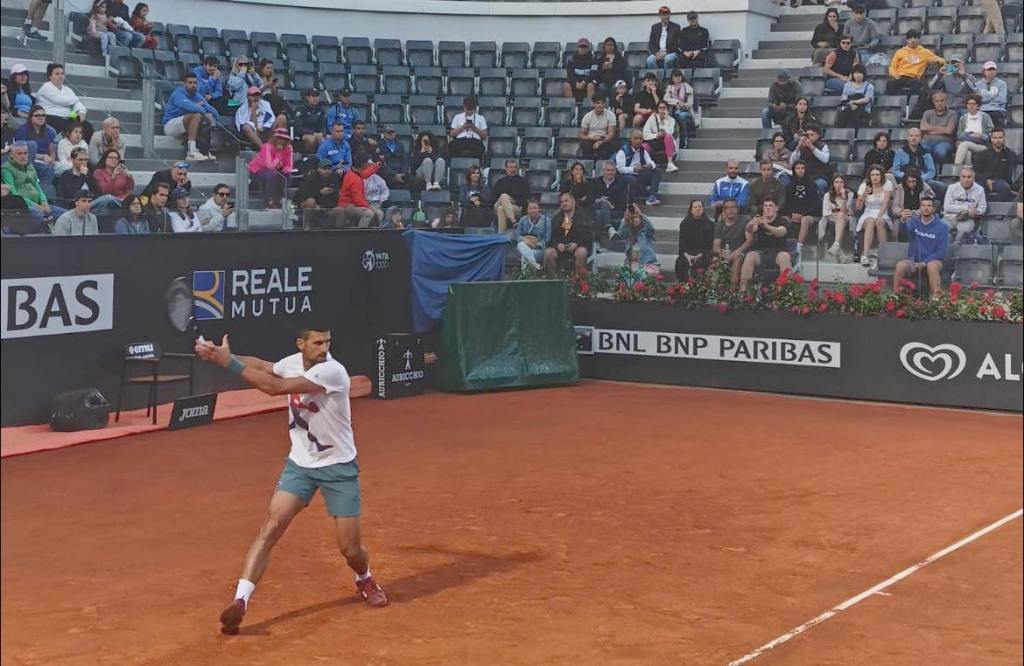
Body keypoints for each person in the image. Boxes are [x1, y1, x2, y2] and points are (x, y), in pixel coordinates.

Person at [195, 325, 388, 637]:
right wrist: (225, 355)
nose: (324, 348)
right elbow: (264, 366)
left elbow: (273, 386)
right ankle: (240, 602)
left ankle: (364, 577)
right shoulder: (293, 362)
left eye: (327, 341)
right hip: (300, 465)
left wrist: (227, 364)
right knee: (271, 527)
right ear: (302, 344)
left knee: (350, 549)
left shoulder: (333, 371)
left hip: (338, 468)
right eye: (317, 342)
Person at [893, 196, 948, 296]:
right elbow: (904, 235)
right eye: (923, 205)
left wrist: (924, 263)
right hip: (914, 260)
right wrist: (903, 222)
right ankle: (897, 297)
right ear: (920, 208)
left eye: (929, 206)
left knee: (932, 266)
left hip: (933, 260)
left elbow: (941, 252)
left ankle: (936, 299)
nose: (926, 208)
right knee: (901, 266)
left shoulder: (942, 227)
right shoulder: (914, 222)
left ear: (934, 209)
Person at [1, 141, 64, 227]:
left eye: (25, 153)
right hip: (25, 208)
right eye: (19, 154)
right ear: (11, 155)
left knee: (65, 215)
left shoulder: (30, 167)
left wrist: (44, 202)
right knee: (39, 215)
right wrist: (35, 206)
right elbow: (14, 194)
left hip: (40, 204)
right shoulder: (6, 169)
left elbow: (38, 186)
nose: (23, 156)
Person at [163, 72, 216, 162]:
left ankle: (204, 150)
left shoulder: (197, 96)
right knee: (197, 115)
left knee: (205, 118)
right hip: (170, 125)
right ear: (185, 84)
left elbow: (213, 111)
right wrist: (202, 109)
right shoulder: (178, 93)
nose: (193, 85)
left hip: (185, 127)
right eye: (190, 83)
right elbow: (190, 106)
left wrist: (211, 117)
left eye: (195, 83)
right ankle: (191, 151)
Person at [35, 63, 94, 143]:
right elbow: (59, 100)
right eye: (57, 74)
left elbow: (78, 104)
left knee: (87, 126)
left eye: (62, 74)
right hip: (51, 117)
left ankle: (82, 150)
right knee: (66, 126)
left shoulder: (68, 90)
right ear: (50, 76)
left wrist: (81, 112)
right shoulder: (46, 87)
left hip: (68, 118)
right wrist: (76, 98)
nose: (60, 76)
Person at [740, 200, 792, 288]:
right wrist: (750, 224)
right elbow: (750, 230)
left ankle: (787, 294)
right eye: (765, 206)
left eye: (770, 206)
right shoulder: (759, 220)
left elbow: (781, 232)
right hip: (761, 253)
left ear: (776, 208)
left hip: (778, 252)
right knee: (750, 256)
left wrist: (767, 226)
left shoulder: (782, 220)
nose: (767, 208)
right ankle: (743, 293)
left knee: (784, 256)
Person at [855, 165, 894, 267]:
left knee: (879, 222)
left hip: (882, 212)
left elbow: (885, 203)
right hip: (868, 212)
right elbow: (858, 207)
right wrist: (862, 196)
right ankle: (865, 255)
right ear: (869, 176)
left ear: (881, 176)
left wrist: (880, 216)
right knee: (871, 221)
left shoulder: (887, 184)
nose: (875, 177)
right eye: (872, 175)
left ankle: (884, 254)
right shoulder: (864, 186)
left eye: (877, 175)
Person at [887, 30, 944, 96]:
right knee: (890, 83)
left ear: (919, 40)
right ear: (907, 40)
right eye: (910, 38)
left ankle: (908, 102)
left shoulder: (925, 52)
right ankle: (896, 101)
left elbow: (942, 60)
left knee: (917, 84)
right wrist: (894, 75)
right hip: (901, 77)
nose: (912, 40)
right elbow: (892, 67)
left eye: (915, 38)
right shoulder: (900, 52)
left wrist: (936, 61)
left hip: (914, 78)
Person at [545, 192, 591, 274]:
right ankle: (552, 281)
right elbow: (552, 236)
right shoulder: (556, 218)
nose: (564, 203)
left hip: (577, 246)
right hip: (560, 248)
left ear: (573, 202)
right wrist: (558, 244)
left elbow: (587, 236)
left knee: (581, 253)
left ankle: (579, 283)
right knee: (548, 253)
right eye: (562, 202)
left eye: (566, 201)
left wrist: (576, 244)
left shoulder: (583, 216)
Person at [248, 127, 293, 209]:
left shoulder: (288, 148)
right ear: (274, 138)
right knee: (271, 175)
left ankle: (282, 199)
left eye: (284, 139)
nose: (281, 140)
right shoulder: (267, 147)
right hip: (257, 169)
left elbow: (289, 165)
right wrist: (279, 155)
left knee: (287, 174)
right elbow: (269, 166)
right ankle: (269, 201)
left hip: (276, 170)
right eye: (279, 138)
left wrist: (286, 168)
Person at [14, 104, 57, 187]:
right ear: (31, 117)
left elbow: (52, 150)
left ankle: (43, 196)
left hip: (45, 160)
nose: (41, 118)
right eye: (37, 115)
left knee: (52, 169)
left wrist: (51, 159)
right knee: (32, 145)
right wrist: (42, 156)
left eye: (43, 115)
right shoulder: (22, 129)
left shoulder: (50, 131)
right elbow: (21, 151)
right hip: (28, 160)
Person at [783, 161, 820, 258]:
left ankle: (798, 248)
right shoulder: (789, 186)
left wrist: (803, 214)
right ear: (794, 170)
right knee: (784, 219)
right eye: (798, 168)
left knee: (805, 220)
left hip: (810, 215)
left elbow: (816, 205)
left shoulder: (812, 185)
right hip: (793, 215)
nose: (800, 170)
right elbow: (786, 205)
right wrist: (792, 214)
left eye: (802, 168)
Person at [614, 131, 661, 206]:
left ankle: (651, 197)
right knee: (632, 180)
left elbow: (652, 163)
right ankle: (633, 201)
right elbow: (620, 169)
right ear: (631, 139)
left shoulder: (643, 151)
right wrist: (633, 169)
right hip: (625, 175)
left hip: (639, 174)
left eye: (640, 139)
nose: (638, 141)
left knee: (656, 171)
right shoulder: (623, 151)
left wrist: (649, 165)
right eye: (636, 138)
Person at [942, 166, 987, 242]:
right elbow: (946, 207)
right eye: (964, 177)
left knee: (963, 233)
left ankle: (956, 249)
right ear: (960, 178)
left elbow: (982, 209)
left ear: (973, 178)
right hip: (949, 218)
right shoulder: (952, 188)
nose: (966, 180)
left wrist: (973, 212)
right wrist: (967, 209)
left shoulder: (980, 190)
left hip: (967, 219)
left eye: (969, 177)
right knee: (940, 229)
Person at [892, 127, 942, 196]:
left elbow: (932, 171)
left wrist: (920, 178)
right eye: (911, 136)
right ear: (907, 137)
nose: (913, 138)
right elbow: (895, 170)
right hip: (904, 180)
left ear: (921, 138)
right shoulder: (899, 153)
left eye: (916, 136)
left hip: (923, 179)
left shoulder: (926, 153)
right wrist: (907, 177)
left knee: (942, 187)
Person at [890, 166, 935, 242]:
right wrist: (901, 212)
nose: (910, 184)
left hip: (920, 216)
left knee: (910, 224)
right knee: (900, 226)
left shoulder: (926, 188)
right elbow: (895, 206)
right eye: (908, 181)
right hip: (902, 216)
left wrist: (913, 213)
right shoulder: (900, 188)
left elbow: (928, 206)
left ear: (918, 180)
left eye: (913, 181)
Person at [973, 127, 1017, 203]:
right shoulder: (981, 154)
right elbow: (975, 172)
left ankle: (998, 211)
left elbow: (1010, 173)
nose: (998, 140)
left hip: (1000, 181)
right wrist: (986, 180)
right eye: (995, 138)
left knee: (1005, 187)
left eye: (1000, 137)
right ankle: (982, 210)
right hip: (983, 180)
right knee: (977, 188)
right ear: (991, 139)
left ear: (1004, 138)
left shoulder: (1010, 154)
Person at [295, 160, 341, 229]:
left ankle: (339, 234)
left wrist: (325, 207)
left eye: (329, 169)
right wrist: (320, 193)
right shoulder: (311, 178)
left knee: (340, 210)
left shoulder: (335, 177)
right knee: (311, 201)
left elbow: (337, 194)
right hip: (315, 205)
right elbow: (301, 194)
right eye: (324, 169)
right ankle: (307, 227)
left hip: (328, 206)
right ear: (319, 169)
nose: (327, 171)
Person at [713, 198, 750, 284]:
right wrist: (723, 253)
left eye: (733, 207)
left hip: (741, 253)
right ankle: (713, 292)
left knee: (737, 260)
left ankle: (733, 293)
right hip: (725, 253)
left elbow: (748, 241)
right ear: (723, 210)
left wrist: (736, 252)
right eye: (727, 207)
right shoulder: (719, 225)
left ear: (738, 209)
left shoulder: (745, 220)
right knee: (715, 262)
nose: (731, 210)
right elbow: (716, 247)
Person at [675, 199, 714, 280]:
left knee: (703, 261)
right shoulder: (684, 224)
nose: (698, 209)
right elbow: (682, 242)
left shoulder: (710, 224)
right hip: (688, 253)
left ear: (703, 209)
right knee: (681, 262)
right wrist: (686, 255)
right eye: (695, 207)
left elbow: (710, 244)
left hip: (703, 252)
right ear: (691, 210)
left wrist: (700, 255)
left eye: (700, 207)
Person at [337, 151, 377, 228]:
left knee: (378, 212)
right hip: (347, 206)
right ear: (364, 164)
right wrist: (369, 207)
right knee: (368, 213)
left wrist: (376, 166)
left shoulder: (353, 172)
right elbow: (358, 200)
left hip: (353, 204)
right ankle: (360, 233)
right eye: (367, 162)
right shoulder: (354, 179)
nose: (369, 164)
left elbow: (364, 174)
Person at [787, 125, 830, 196]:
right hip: (804, 176)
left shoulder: (823, 146)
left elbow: (825, 159)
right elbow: (792, 162)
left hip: (819, 176)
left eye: (812, 135)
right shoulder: (802, 146)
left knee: (818, 185)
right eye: (807, 135)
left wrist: (812, 147)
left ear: (818, 136)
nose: (809, 137)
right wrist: (798, 148)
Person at [821, 174, 854, 262]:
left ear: (844, 184)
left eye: (841, 182)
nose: (839, 184)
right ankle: (840, 254)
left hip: (846, 218)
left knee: (841, 216)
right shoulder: (827, 195)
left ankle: (836, 245)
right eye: (836, 182)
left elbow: (845, 211)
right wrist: (837, 213)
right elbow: (826, 213)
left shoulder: (849, 194)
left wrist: (843, 197)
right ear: (833, 184)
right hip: (830, 218)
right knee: (840, 217)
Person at [619, 203, 660, 275]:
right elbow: (620, 234)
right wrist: (625, 220)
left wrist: (641, 214)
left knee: (645, 273)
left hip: (648, 263)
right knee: (624, 274)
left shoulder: (646, 231)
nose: (635, 220)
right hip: (633, 263)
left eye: (637, 217)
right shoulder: (628, 231)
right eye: (633, 218)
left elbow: (651, 229)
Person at [591, 160, 627, 240]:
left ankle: (599, 239)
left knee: (601, 212)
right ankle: (609, 228)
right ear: (603, 171)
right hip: (596, 207)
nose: (610, 172)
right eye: (608, 170)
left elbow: (623, 203)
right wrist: (599, 200)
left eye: (612, 170)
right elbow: (590, 198)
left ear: (615, 171)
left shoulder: (620, 184)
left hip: (613, 211)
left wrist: (611, 206)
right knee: (603, 203)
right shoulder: (595, 182)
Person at [953, 95, 993, 167]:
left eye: (973, 104)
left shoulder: (985, 117)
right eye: (969, 104)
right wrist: (969, 134)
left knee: (964, 144)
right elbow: (959, 134)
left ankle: (956, 169)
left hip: (982, 145)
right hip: (967, 142)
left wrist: (981, 136)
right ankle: (968, 172)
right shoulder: (963, 118)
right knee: (967, 153)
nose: (971, 106)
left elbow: (992, 133)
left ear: (978, 106)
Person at [491, 159, 529, 233]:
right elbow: (492, 199)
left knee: (501, 209)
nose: (513, 169)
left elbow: (526, 198)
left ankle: (501, 236)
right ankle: (513, 221)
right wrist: (503, 200)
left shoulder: (522, 182)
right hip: (498, 204)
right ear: (506, 168)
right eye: (511, 167)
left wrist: (514, 201)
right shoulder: (500, 182)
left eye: (515, 167)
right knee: (503, 196)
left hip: (516, 207)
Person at [512, 200, 552, 270]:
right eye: (530, 208)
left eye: (535, 208)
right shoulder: (523, 220)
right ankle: (534, 265)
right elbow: (517, 235)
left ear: (539, 209)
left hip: (538, 249)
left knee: (524, 256)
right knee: (521, 245)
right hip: (524, 245)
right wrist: (525, 241)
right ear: (527, 210)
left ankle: (526, 277)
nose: (532, 210)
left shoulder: (546, 220)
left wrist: (537, 245)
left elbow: (547, 238)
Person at [642, 102, 679, 172]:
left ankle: (670, 163)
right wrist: (656, 135)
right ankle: (646, 165)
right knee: (644, 146)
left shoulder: (671, 120)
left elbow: (670, 132)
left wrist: (665, 120)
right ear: (657, 110)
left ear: (667, 109)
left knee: (668, 137)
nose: (662, 110)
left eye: (664, 108)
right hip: (654, 142)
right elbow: (645, 134)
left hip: (666, 143)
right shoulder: (652, 119)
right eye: (660, 108)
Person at [448, 96, 487, 161]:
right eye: (467, 109)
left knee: (481, 147)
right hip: (461, 140)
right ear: (464, 107)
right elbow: (452, 134)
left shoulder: (481, 118)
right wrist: (462, 127)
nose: (469, 111)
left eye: (471, 109)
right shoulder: (457, 117)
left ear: (474, 108)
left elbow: (484, 135)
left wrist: (474, 128)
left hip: (475, 140)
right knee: (451, 145)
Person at [579, 96, 618, 161]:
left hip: (604, 139)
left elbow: (611, 134)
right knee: (585, 144)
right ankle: (588, 163)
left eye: (602, 103)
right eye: (598, 103)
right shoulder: (587, 116)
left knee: (609, 145)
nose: (600, 105)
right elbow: (581, 134)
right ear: (593, 104)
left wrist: (600, 142)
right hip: (591, 139)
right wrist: (591, 138)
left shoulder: (611, 115)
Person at [663, 70, 694, 149]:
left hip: (685, 111)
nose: (677, 78)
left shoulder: (687, 87)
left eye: (679, 76)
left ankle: (684, 140)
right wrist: (676, 102)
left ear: (681, 77)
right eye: (675, 77)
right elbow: (665, 98)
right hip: (673, 110)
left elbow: (690, 104)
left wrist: (683, 105)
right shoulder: (670, 87)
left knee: (681, 116)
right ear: (672, 78)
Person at [837, 65, 873, 129]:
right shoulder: (847, 85)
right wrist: (850, 104)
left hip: (863, 109)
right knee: (841, 115)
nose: (858, 75)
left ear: (864, 74)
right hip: (849, 107)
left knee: (855, 117)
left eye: (860, 73)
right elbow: (844, 98)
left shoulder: (869, 86)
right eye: (856, 73)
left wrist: (854, 102)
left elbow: (867, 99)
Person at [647, 6, 681, 72]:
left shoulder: (676, 27)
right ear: (659, 16)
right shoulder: (655, 27)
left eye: (667, 14)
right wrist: (656, 53)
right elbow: (651, 43)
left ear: (670, 15)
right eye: (663, 15)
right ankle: (657, 78)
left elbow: (677, 44)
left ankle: (666, 78)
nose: (665, 17)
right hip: (658, 52)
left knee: (668, 59)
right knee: (650, 60)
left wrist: (666, 53)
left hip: (671, 52)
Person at [293, 90, 326, 156]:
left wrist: (321, 133)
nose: (315, 98)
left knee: (329, 139)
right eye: (313, 96)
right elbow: (298, 127)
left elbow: (323, 126)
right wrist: (313, 133)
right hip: (303, 135)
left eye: (317, 96)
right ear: (307, 97)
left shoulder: (321, 110)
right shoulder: (300, 109)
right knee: (312, 139)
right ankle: (310, 157)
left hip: (317, 135)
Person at [976, 62, 1008, 129]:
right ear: (984, 71)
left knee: (994, 115)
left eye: (993, 69)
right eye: (989, 69)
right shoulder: (977, 85)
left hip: (997, 109)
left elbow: (1002, 99)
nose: (991, 72)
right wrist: (992, 97)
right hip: (982, 109)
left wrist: (985, 99)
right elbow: (978, 100)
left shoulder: (1002, 84)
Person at [564, 38, 597, 102]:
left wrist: (584, 82)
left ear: (588, 48)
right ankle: (570, 105)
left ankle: (588, 106)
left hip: (587, 81)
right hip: (575, 82)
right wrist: (576, 83)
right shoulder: (571, 59)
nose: (583, 48)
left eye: (585, 47)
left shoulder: (593, 58)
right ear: (578, 47)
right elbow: (570, 73)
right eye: (581, 46)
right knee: (566, 85)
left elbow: (593, 73)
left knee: (591, 85)